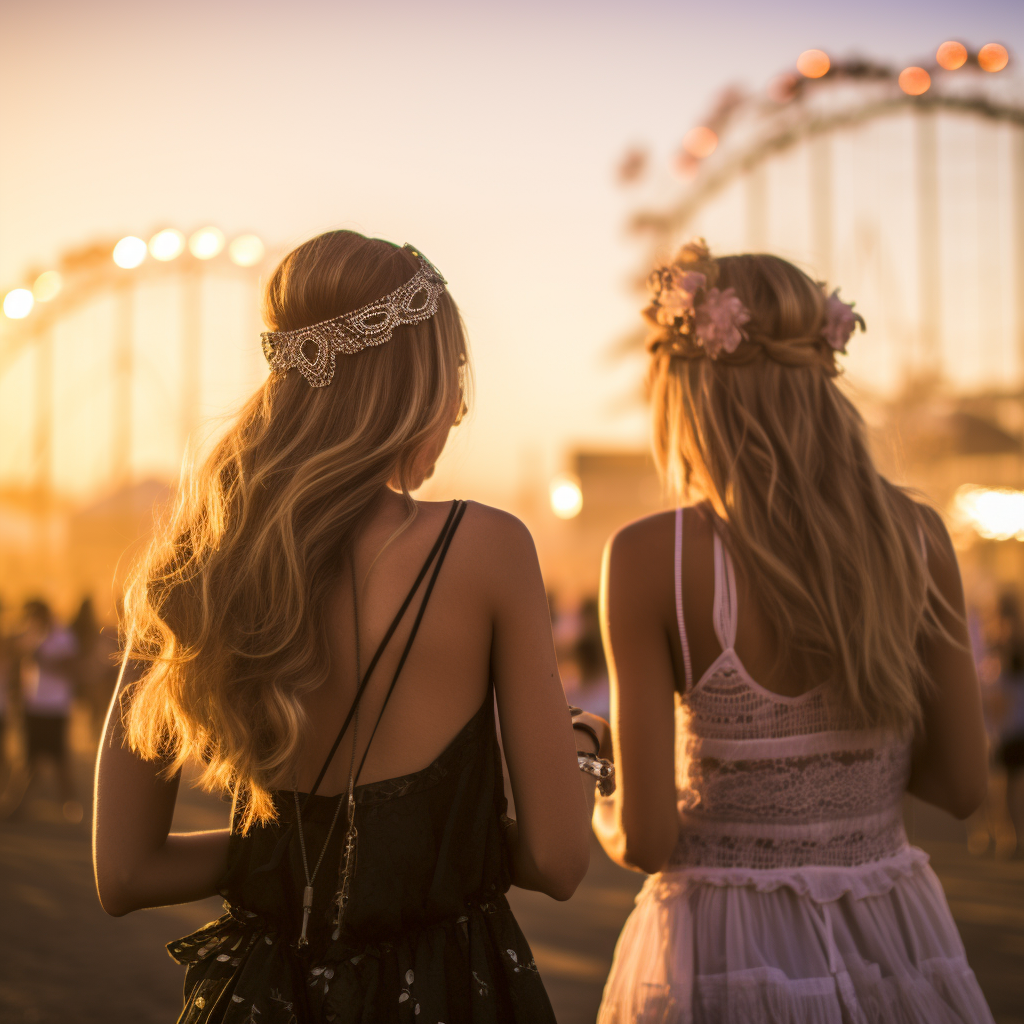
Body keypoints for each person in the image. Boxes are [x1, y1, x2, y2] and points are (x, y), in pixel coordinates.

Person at [93, 231, 610, 1024]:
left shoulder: (190, 563)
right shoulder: (486, 547)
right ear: (412, 385)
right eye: (453, 381)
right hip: (446, 989)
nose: (460, 411)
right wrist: (583, 750)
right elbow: (556, 858)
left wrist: (292, 854)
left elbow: (125, 873)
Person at [593, 241, 993, 1023]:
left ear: (689, 390)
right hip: (893, 935)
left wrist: (597, 785)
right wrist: (844, 773)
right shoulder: (917, 538)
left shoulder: (653, 559)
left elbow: (646, 840)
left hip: (724, 950)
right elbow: (962, 785)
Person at [6, 598, 82, 821]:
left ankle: (71, 805)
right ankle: (18, 804)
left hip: (55, 708)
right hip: (34, 706)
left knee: (59, 760)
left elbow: (72, 667)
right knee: (29, 759)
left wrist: (44, 660)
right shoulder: (31, 634)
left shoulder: (63, 637)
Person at [993, 591, 1024, 855]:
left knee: (1009, 785)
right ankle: (1011, 835)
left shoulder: (1003, 645)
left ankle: (1010, 835)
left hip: (1012, 726)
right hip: (1013, 727)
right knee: (1010, 785)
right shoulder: (1003, 645)